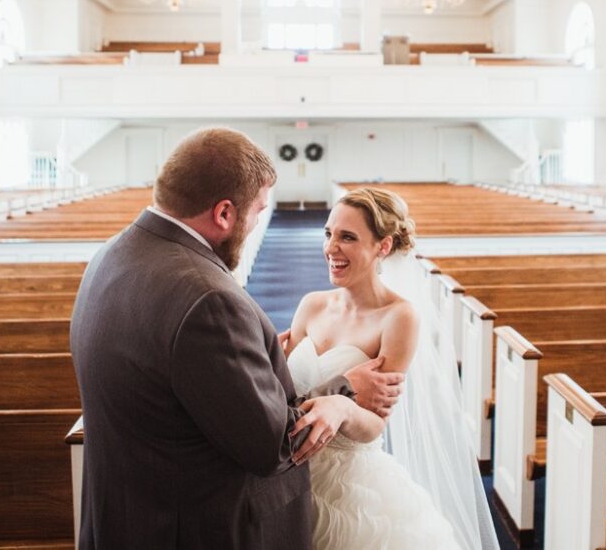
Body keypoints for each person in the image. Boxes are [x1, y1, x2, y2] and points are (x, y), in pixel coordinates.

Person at [69, 128, 403, 549]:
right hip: (196, 526)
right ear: (225, 213)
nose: (257, 221)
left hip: (128, 515)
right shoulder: (208, 299)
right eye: (258, 210)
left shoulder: (110, 255)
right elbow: (274, 446)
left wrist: (260, 364)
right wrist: (344, 389)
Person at [284, 187, 501, 550]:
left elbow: (373, 426)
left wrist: (342, 407)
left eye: (347, 237)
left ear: (382, 247)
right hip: (287, 469)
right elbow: (285, 395)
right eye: (329, 234)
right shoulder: (312, 305)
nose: (330, 248)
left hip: (347, 482)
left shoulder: (399, 317)